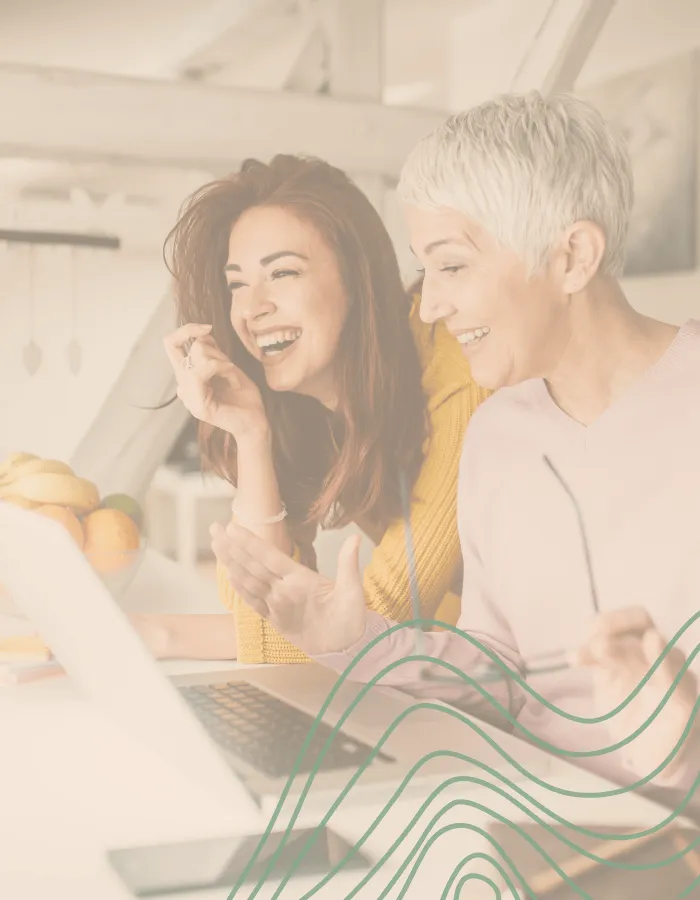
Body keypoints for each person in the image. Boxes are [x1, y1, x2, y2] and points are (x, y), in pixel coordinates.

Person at [213, 93, 700, 816]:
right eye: (424, 270)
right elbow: (499, 675)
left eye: (451, 267)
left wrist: (682, 743)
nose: (431, 305)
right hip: (527, 809)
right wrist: (353, 640)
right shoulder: (498, 433)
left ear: (572, 257)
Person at [136, 154, 491, 663]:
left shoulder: (455, 369)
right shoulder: (308, 405)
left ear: (357, 279)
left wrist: (162, 634)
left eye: (282, 273)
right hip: (439, 682)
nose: (252, 308)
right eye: (237, 283)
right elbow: (266, 629)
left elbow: (360, 628)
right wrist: (251, 437)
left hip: (546, 706)